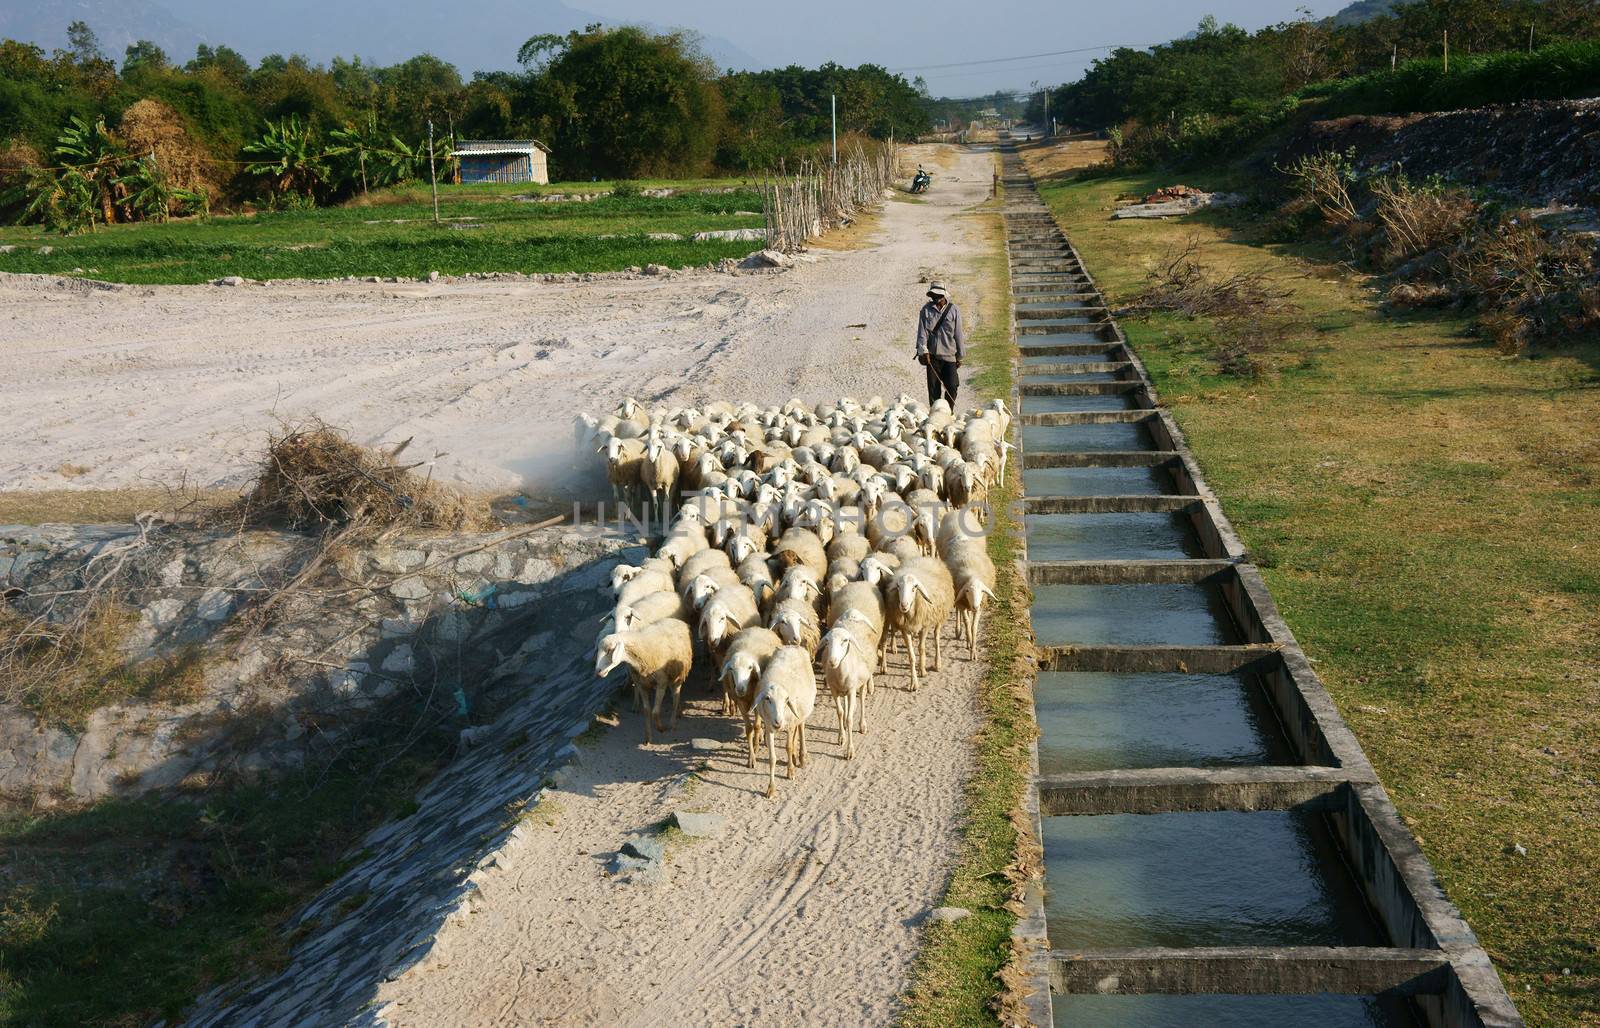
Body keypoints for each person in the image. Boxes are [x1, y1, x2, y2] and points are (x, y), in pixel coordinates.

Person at [914, 281, 964, 407]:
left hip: (950, 357)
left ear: (943, 296)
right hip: (932, 358)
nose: (934, 298)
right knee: (934, 392)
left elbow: (958, 335)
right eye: (932, 296)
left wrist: (960, 356)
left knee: (952, 386)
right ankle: (936, 415)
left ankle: (948, 411)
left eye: (937, 296)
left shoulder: (954, 310)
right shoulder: (925, 311)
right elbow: (922, 333)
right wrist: (923, 351)